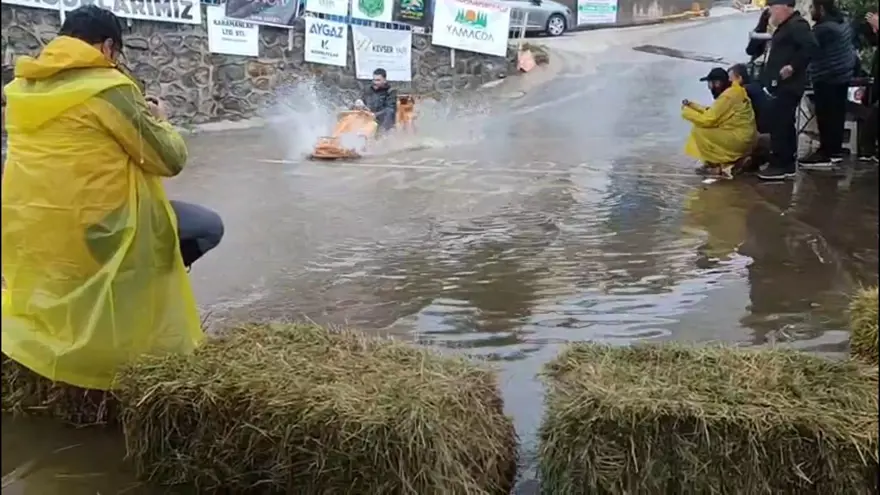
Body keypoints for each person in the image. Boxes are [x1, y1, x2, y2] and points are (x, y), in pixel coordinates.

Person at [1, 6, 222, 392]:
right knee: (206, 226)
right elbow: (169, 160)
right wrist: (160, 119)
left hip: (34, 233)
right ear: (106, 47)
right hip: (99, 231)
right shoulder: (108, 88)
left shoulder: (21, 90)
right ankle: (135, 317)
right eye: (116, 53)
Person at [747, 0, 817, 181]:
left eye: (773, 9)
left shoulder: (797, 25)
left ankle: (782, 163)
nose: (771, 13)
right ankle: (785, 160)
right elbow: (753, 49)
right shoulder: (784, 27)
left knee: (781, 122)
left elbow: (811, 47)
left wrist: (793, 66)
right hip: (778, 84)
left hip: (789, 85)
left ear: (785, 7)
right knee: (782, 122)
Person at [798, 0, 857, 169]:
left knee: (825, 116)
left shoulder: (823, 29)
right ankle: (835, 151)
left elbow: (807, 48)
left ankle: (826, 153)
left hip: (827, 76)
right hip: (843, 75)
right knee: (837, 114)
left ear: (821, 9)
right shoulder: (843, 23)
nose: (810, 10)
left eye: (812, 7)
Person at [682, 67, 758, 179]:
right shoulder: (735, 91)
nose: (710, 88)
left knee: (699, 130)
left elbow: (708, 120)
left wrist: (686, 112)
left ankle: (718, 165)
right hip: (746, 136)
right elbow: (713, 111)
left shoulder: (727, 96)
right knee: (709, 128)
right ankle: (732, 161)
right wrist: (692, 106)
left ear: (717, 83)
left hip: (739, 139)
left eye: (710, 84)